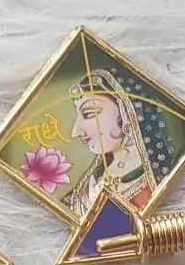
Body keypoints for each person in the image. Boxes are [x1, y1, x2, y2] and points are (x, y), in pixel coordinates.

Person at [61, 66, 178, 217]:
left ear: (128, 112)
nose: (76, 132)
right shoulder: (87, 187)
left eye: (89, 114)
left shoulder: (159, 180)